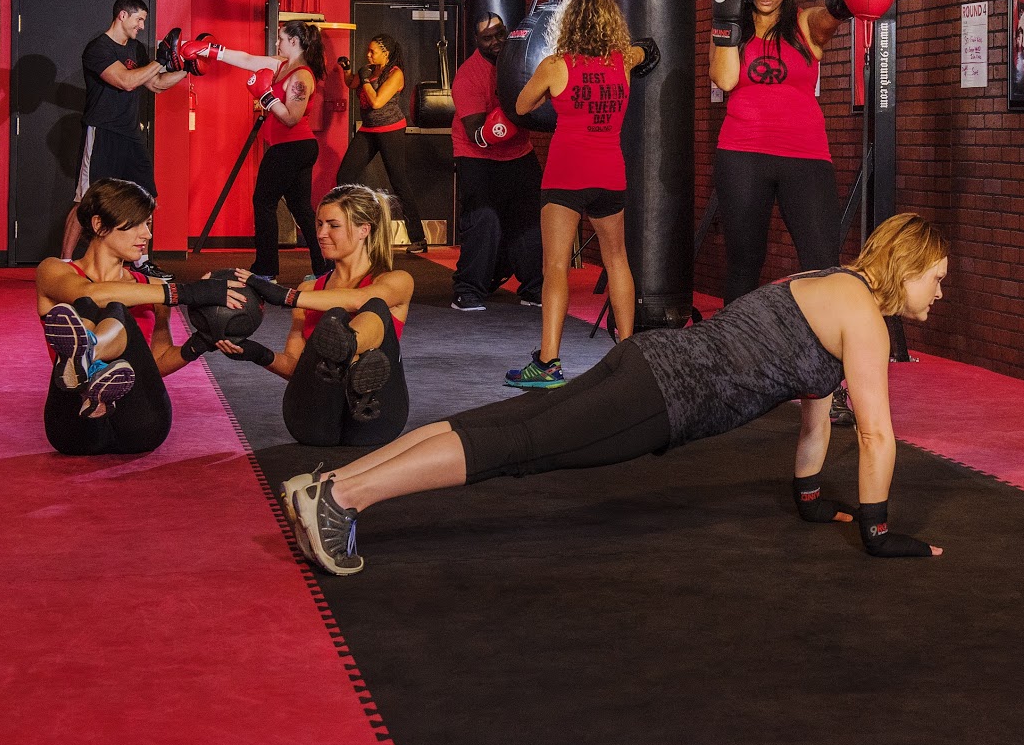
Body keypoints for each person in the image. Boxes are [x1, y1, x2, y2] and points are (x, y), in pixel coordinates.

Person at [282, 212, 950, 577]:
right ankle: (345, 500)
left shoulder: (828, 281)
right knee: (517, 445)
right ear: (909, 267)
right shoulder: (866, 319)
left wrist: (810, 500)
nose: (939, 294)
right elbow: (875, 434)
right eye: (936, 279)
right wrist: (878, 531)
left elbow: (815, 418)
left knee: (510, 420)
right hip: (666, 396)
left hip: (648, 358)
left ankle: (329, 484)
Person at [34, 178, 249, 455]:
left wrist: (202, 341)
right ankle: (89, 362)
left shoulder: (152, 288)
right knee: (95, 304)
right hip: (75, 425)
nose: (146, 234)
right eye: (136, 224)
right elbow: (89, 293)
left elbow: (156, 362)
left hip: (140, 423)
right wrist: (186, 292)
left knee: (117, 307)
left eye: (147, 224)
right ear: (99, 225)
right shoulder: (53, 270)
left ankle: (86, 354)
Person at [507, 0, 655, 389]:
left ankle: (549, 362)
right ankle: (628, 359)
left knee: (555, 266)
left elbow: (520, 106)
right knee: (617, 260)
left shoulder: (555, 65)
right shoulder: (623, 62)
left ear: (568, 24)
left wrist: (554, 95)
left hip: (566, 174)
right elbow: (647, 50)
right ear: (611, 23)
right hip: (609, 173)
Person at [709, 0, 849, 302]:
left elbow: (827, 18)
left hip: (806, 156)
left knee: (823, 264)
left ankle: (821, 339)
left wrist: (843, 2)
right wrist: (727, 19)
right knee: (743, 266)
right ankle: (737, 341)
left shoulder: (804, 24)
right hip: (742, 154)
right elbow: (725, 80)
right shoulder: (731, 27)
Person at [224, 185, 415, 448]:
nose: (321, 234)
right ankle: (347, 359)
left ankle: (348, 352)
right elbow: (295, 367)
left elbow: (358, 300)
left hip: (374, 416)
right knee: (334, 317)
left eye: (333, 225)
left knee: (364, 309)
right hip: (314, 420)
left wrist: (283, 295)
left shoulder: (397, 281)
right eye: (319, 224)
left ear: (364, 230)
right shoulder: (309, 290)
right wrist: (256, 352)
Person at [59, 0, 187, 266]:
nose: (142, 26)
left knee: (146, 196)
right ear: (122, 15)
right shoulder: (98, 49)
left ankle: (142, 261)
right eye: (139, 19)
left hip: (130, 133)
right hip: (102, 131)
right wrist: (161, 60)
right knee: (86, 200)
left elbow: (156, 84)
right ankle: (65, 264)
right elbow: (126, 81)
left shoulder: (136, 49)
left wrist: (188, 69)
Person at [212, 21, 328, 282]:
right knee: (301, 208)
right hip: (294, 148)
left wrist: (266, 96)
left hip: (291, 147)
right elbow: (247, 59)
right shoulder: (282, 65)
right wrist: (212, 51)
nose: (277, 43)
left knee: (264, 203)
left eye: (281, 39)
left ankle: (265, 270)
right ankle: (324, 268)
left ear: (294, 42)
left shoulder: (301, 76)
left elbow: (291, 118)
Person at [450, 13, 542, 312]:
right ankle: (467, 290)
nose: (496, 41)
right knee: (483, 219)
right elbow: (476, 133)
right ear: (477, 41)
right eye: (487, 38)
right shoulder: (468, 75)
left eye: (500, 34)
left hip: (520, 152)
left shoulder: (521, 63)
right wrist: (509, 117)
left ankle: (534, 288)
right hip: (477, 155)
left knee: (529, 220)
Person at [335, 33, 428, 254]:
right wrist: (347, 70)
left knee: (398, 181)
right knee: (344, 176)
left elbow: (376, 102)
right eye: (368, 51)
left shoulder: (395, 74)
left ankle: (418, 238)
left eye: (373, 51)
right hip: (368, 129)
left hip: (390, 130)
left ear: (385, 53)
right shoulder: (368, 69)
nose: (368, 55)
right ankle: (353, 229)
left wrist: (366, 80)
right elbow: (352, 84)